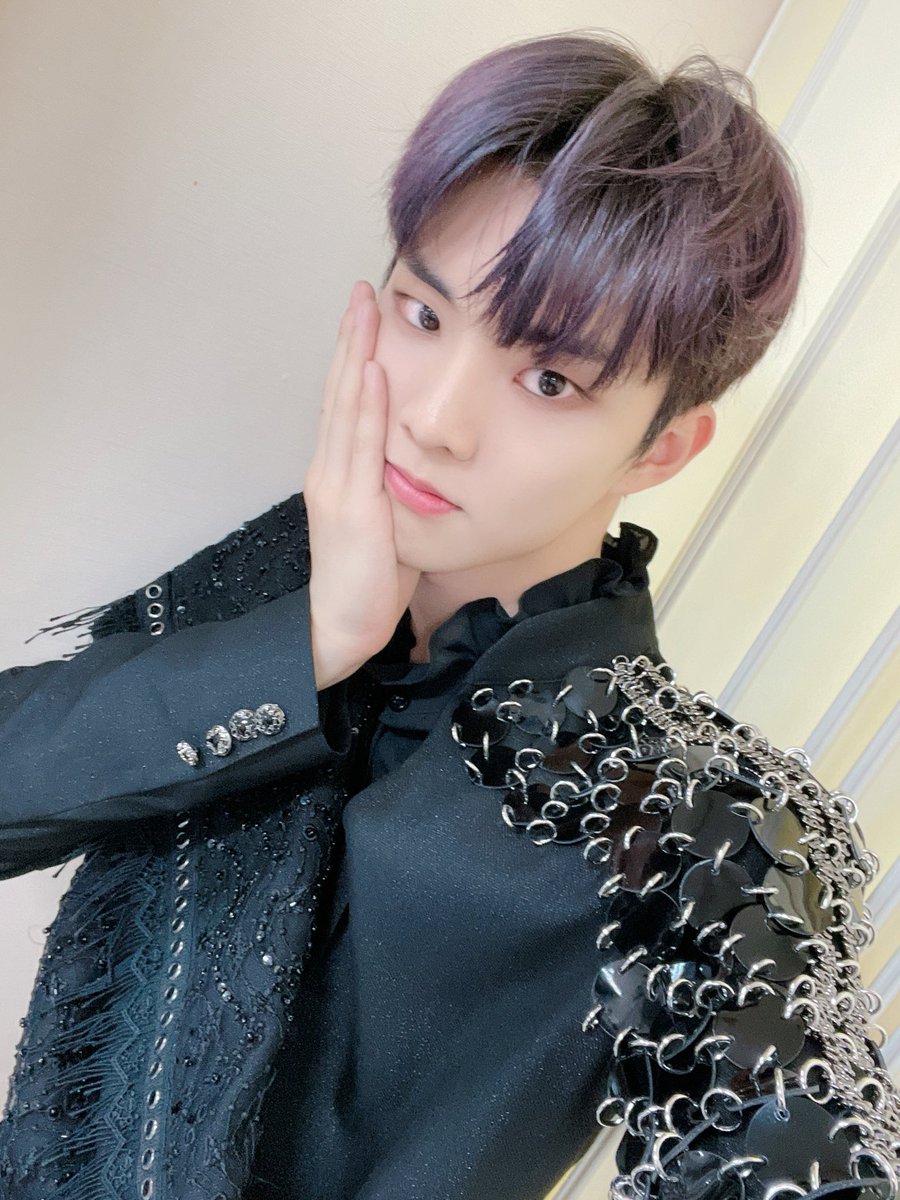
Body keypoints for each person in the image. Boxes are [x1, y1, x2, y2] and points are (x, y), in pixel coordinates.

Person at [0, 29, 897, 1200]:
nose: (433, 418)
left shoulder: (685, 815)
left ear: (662, 449)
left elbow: (791, 1141)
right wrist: (310, 645)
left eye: (549, 380)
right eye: (424, 315)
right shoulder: (272, 578)